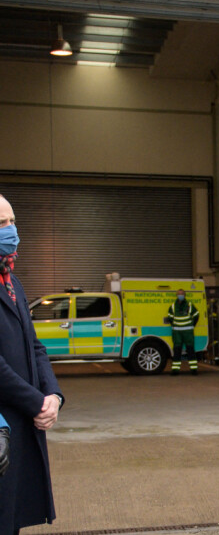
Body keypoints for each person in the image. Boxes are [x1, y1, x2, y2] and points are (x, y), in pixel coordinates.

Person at [0, 194, 64, 534]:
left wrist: (53, 394)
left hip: (19, 428)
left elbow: (35, 346)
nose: (11, 231)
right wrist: (36, 401)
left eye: (11, 221)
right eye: (1, 224)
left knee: (12, 517)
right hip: (5, 424)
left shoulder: (13, 284)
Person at [167, 288, 200, 375]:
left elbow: (196, 315)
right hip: (177, 332)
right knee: (177, 351)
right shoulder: (173, 306)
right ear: (177, 295)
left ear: (184, 295)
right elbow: (170, 317)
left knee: (190, 350)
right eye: (179, 294)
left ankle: (194, 370)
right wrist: (174, 325)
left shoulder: (189, 305)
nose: (180, 295)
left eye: (181, 294)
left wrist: (192, 325)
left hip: (187, 332)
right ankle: (175, 370)